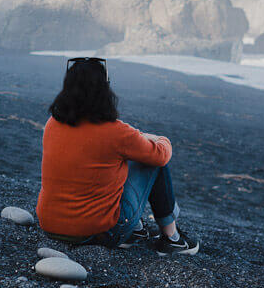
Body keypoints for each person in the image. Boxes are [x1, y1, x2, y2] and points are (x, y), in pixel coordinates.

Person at [36, 57, 199, 255]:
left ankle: (137, 230)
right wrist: (161, 138)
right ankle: (172, 238)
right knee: (153, 164)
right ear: (105, 89)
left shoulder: (53, 123)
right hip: (100, 233)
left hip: (51, 226)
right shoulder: (115, 132)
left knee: (110, 166)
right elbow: (160, 155)